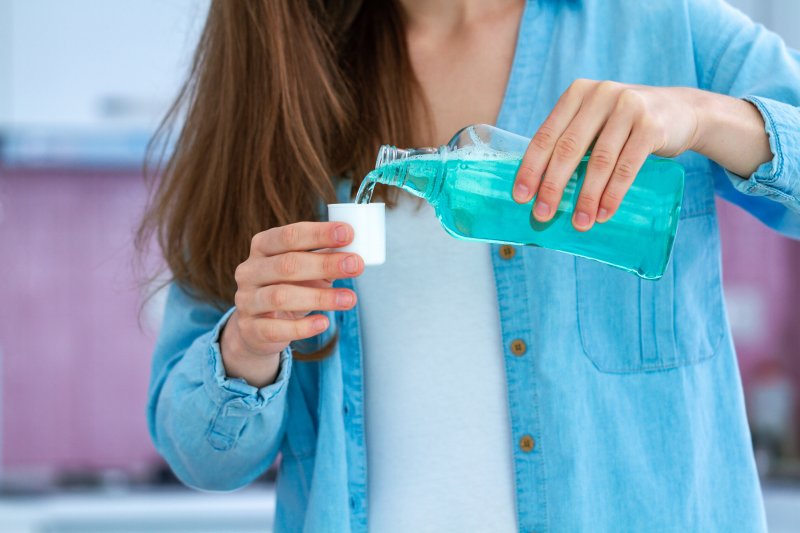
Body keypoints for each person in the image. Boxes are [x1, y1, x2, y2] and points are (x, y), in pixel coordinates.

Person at [140, 0, 800, 531]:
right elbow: (201, 455)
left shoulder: (662, 26)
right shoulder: (278, 91)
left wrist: (709, 116)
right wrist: (247, 345)